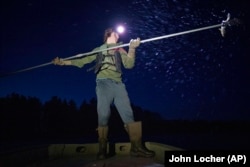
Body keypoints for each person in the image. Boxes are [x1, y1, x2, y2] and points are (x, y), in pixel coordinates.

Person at [52, 28, 155, 159]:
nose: (118, 35)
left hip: (118, 84)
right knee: (104, 113)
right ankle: (102, 148)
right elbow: (82, 60)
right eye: (116, 33)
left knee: (128, 113)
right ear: (108, 34)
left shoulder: (121, 48)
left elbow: (129, 65)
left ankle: (136, 147)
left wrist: (132, 49)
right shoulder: (99, 49)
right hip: (103, 83)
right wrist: (63, 62)